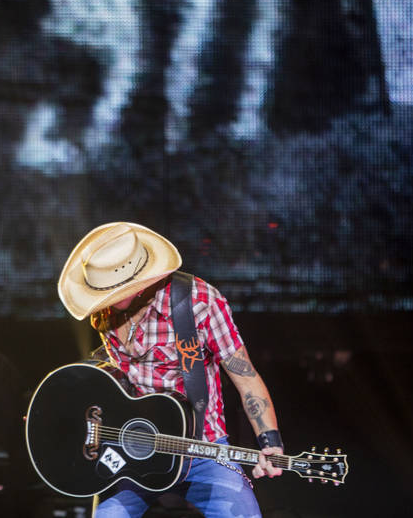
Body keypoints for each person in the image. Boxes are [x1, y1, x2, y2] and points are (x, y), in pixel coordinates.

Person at [57, 222, 283, 518]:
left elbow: (246, 377)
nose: (105, 302)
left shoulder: (199, 303)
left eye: (112, 292)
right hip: (133, 446)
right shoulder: (104, 312)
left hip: (203, 447)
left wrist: (270, 442)